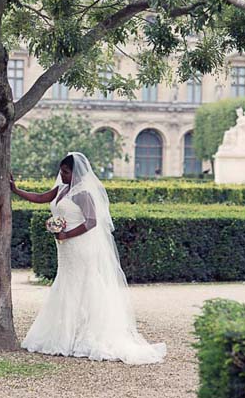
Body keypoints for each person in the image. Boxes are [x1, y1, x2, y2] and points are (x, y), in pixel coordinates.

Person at [11, 152, 166, 363]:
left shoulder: (83, 194)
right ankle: (65, 333)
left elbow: (91, 221)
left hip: (80, 246)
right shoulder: (63, 188)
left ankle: (83, 335)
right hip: (65, 248)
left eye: (65, 172)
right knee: (66, 283)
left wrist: (66, 234)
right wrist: (16, 190)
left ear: (76, 173)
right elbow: (42, 198)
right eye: (61, 171)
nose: (62, 175)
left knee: (83, 285)